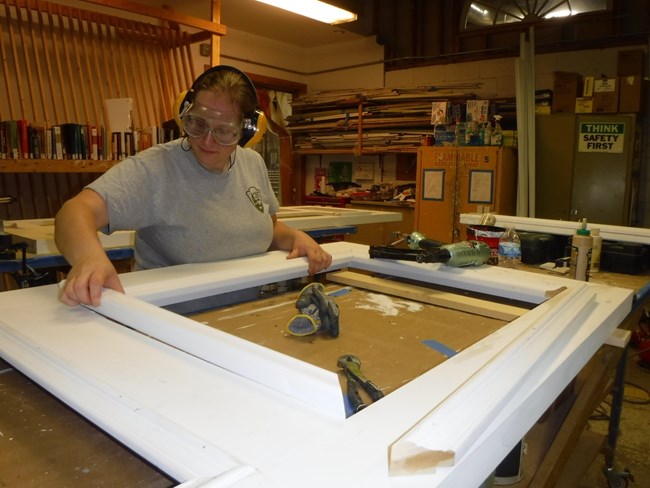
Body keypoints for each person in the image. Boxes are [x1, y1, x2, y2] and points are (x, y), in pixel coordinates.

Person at [55, 65, 332, 307]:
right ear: (183, 114)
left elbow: (267, 228)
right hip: (176, 321)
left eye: (223, 131)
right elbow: (74, 212)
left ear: (247, 131)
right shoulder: (156, 168)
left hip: (249, 310)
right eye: (197, 124)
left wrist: (295, 237)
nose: (207, 141)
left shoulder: (252, 163)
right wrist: (89, 258)